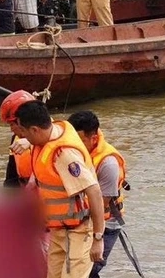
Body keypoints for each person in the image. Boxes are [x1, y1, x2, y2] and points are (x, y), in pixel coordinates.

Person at [12, 100, 106, 278]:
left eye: (23, 132)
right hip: (59, 230)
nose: (21, 136)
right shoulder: (53, 131)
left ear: (34, 130)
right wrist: (29, 143)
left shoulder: (64, 155)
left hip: (79, 230)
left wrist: (98, 239)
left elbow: (94, 191)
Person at [68, 111, 128, 278]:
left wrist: (97, 238)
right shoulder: (71, 152)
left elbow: (101, 203)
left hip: (106, 223)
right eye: (72, 141)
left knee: (89, 269)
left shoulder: (108, 163)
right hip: (80, 221)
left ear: (93, 138)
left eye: (81, 141)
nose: (75, 146)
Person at [0, 90, 36, 189]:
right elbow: (11, 174)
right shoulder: (15, 138)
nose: (11, 129)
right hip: (25, 189)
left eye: (12, 124)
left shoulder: (52, 138)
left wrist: (32, 143)